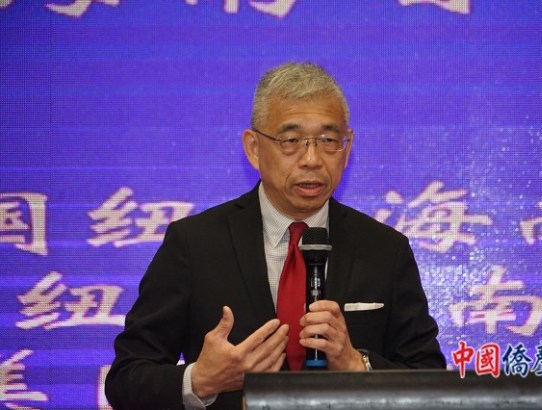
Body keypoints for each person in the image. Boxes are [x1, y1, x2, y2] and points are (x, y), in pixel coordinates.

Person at [105, 62, 446, 410]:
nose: (311, 159)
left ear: (347, 148)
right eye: (291, 141)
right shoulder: (194, 244)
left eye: (328, 140)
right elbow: (125, 380)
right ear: (254, 148)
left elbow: (431, 385)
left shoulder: (385, 250)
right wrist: (201, 380)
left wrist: (356, 365)